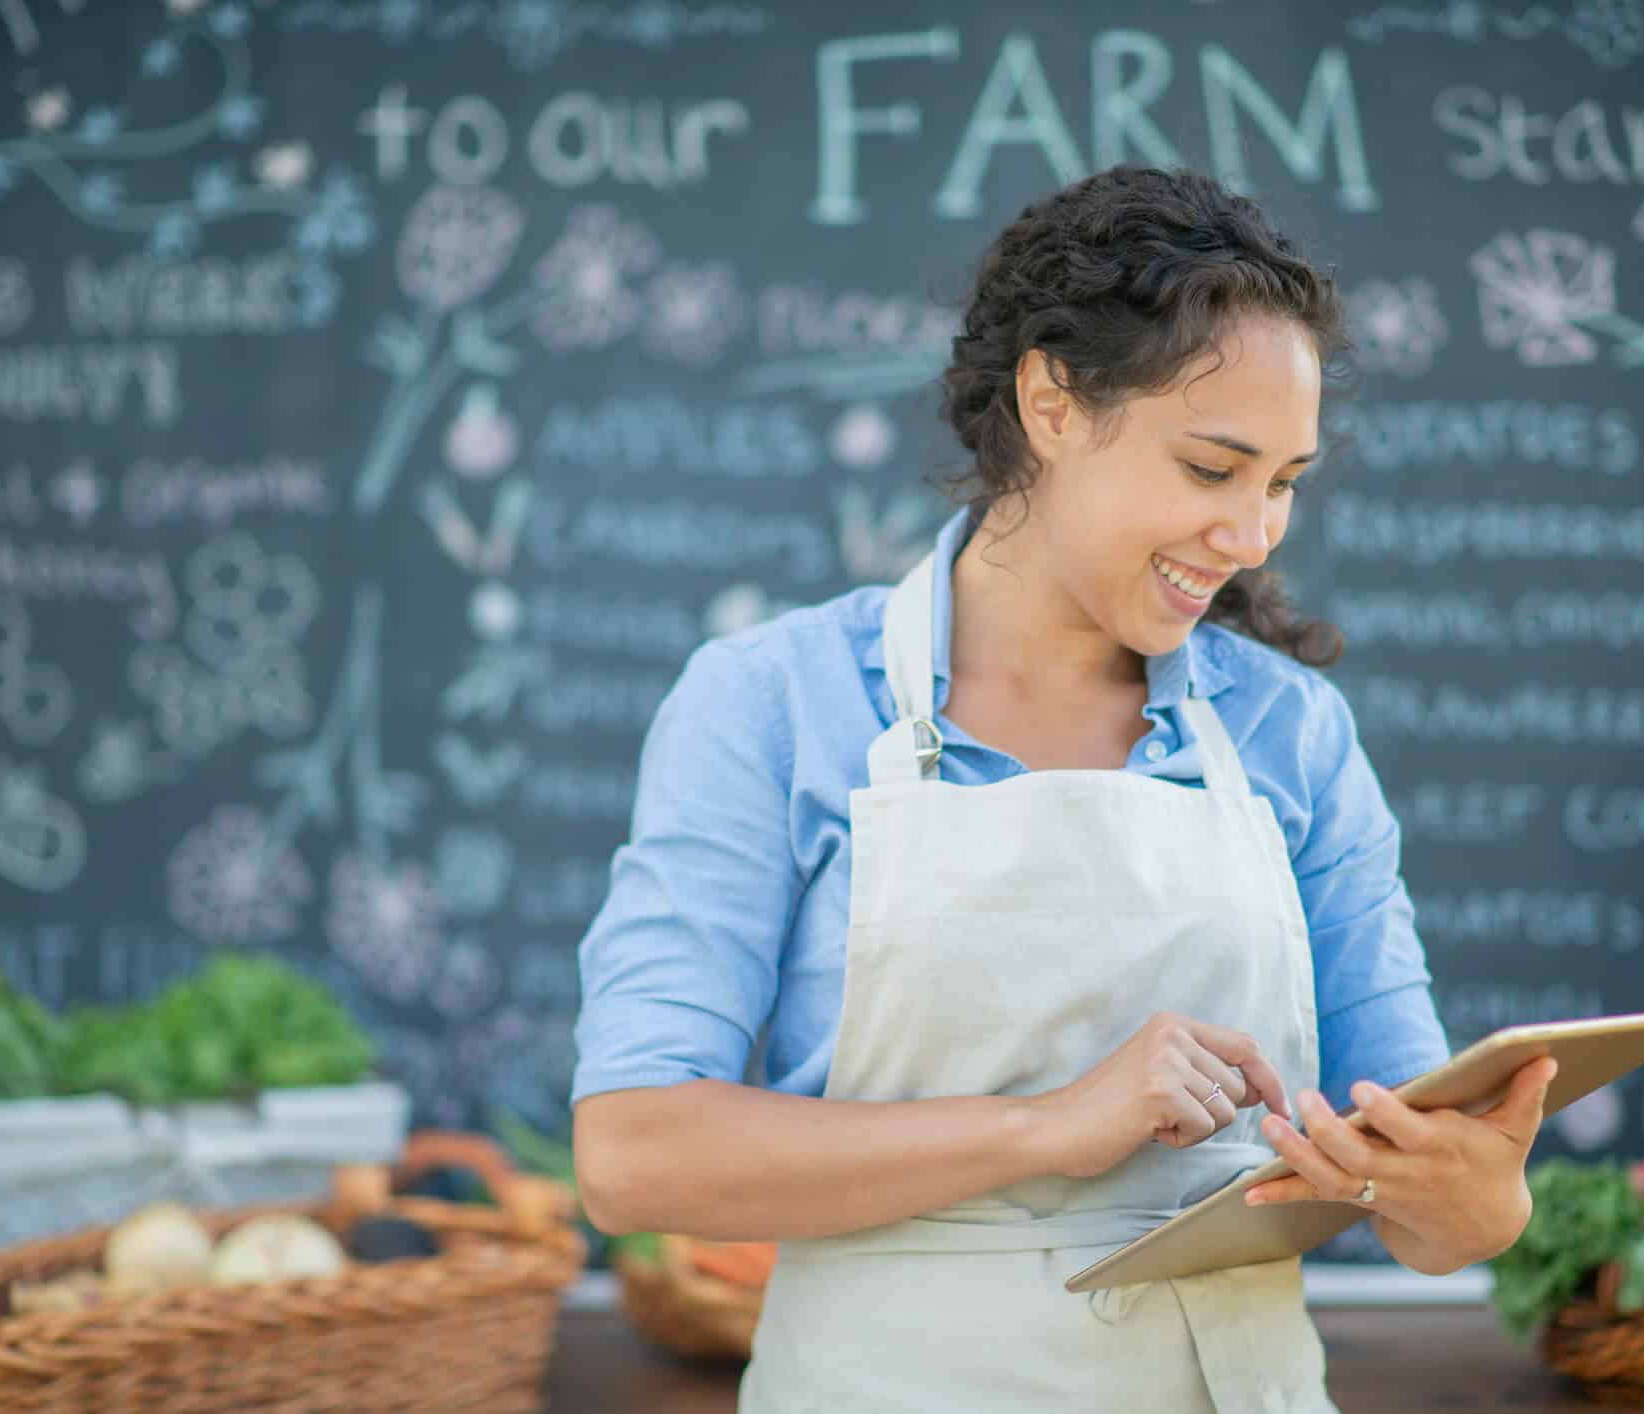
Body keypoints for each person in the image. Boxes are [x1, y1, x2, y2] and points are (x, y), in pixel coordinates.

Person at [569, 164, 1561, 1413]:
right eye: (1213, 469)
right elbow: (633, 1155)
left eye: (1285, 482)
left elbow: (1404, 1163)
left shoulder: (1291, 733)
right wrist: (1045, 1126)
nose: (1254, 535)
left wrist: (1474, 1203)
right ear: (1050, 401)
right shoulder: (772, 705)